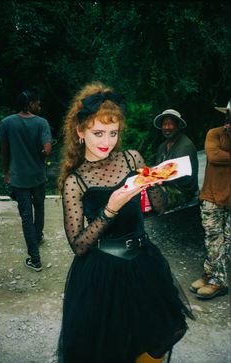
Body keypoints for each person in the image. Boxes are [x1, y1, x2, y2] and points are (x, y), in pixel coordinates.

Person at [57, 82, 192, 363]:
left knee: (169, 329)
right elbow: (79, 246)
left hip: (143, 262)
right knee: (110, 348)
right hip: (102, 273)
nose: (106, 140)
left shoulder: (132, 158)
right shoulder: (75, 181)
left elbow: (161, 208)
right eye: (97, 133)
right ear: (80, 132)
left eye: (113, 132)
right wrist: (110, 209)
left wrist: (152, 180)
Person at [0, 88, 52, 272]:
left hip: (19, 179)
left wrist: (6, 173)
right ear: (30, 104)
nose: (40, 105)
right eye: (37, 102)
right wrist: (43, 152)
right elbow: (47, 150)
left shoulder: (7, 123)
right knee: (39, 208)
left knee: (26, 217)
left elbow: (4, 151)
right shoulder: (42, 123)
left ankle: (35, 259)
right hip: (38, 176)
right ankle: (38, 236)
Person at [190, 100, 231, 300]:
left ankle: (214, 276)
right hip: (212, 196)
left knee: (226, 240)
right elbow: (213, 155)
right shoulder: (214, 133)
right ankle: (215, 279)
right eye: (228, 116)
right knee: (213, 237)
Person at [148, 109, 199, 215]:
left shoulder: (185, 145)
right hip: (167, 185)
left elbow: (176, 175)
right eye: (164, 124)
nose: (166, 127)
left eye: (170, 124)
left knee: (151, 194)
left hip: (182, 191)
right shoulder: (162, 146)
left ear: (178, 125)